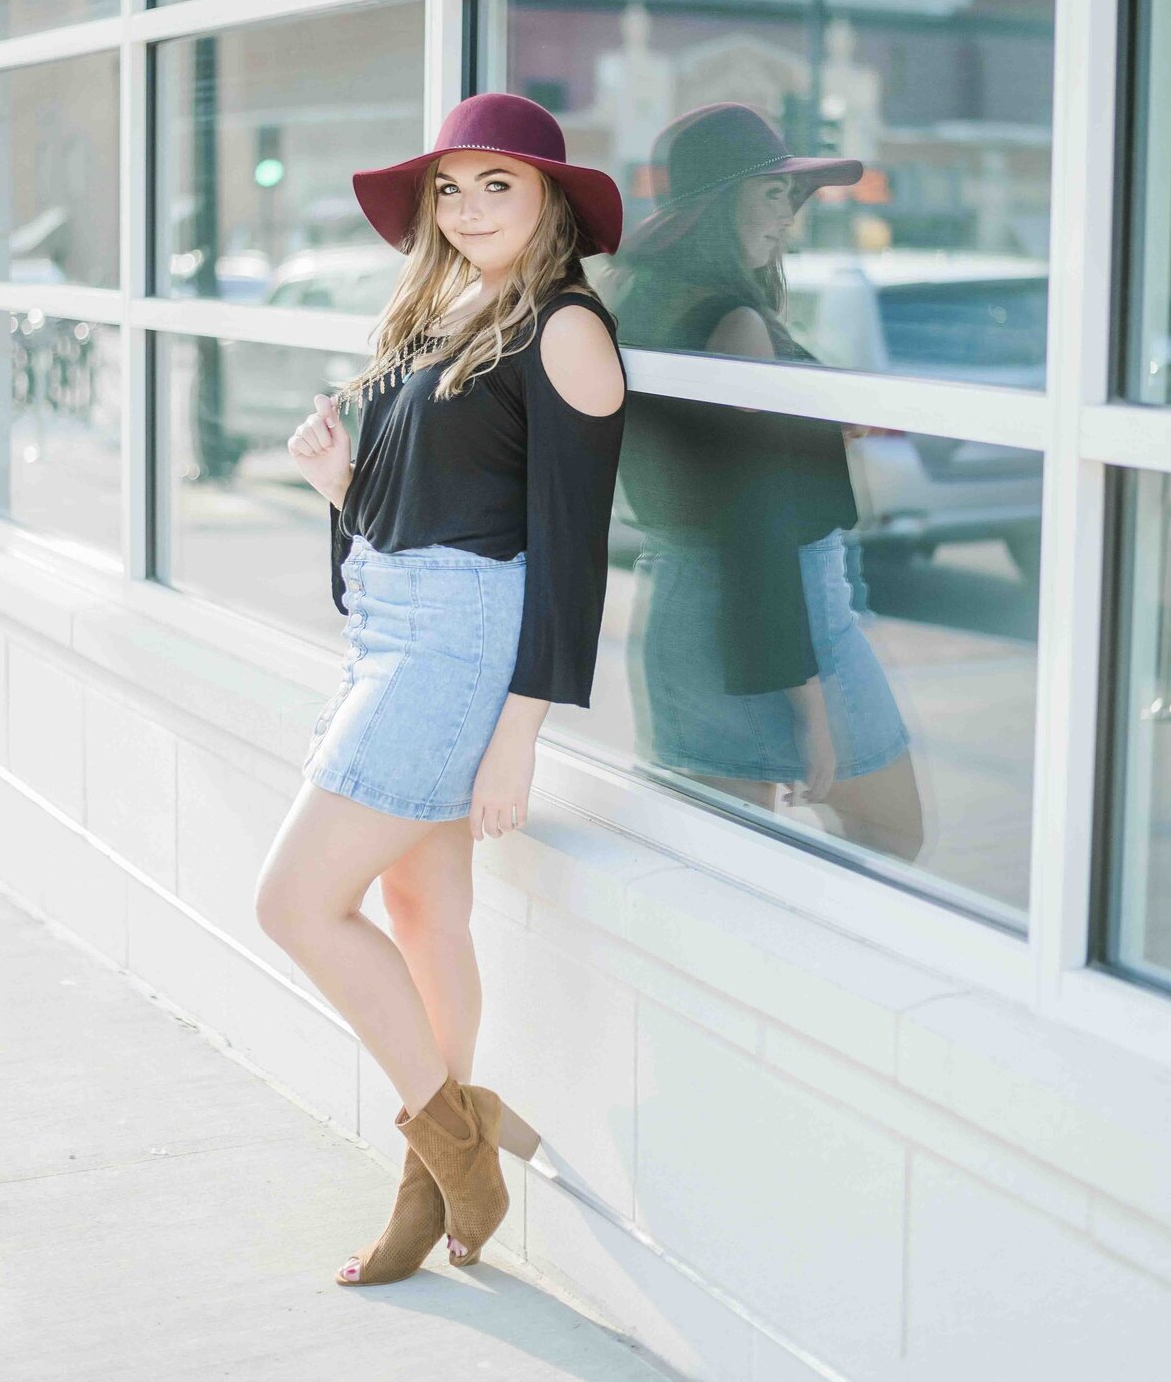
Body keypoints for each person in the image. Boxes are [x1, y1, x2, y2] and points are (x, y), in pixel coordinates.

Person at [254, 92, 627, 1286]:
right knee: (423, 916)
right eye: (450, 190)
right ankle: (434, 1183)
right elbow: (410, 517)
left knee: (294, 903)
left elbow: (570, 550)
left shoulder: (564, 328)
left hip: (463, 645)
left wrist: (520, 733)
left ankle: (461, 1148)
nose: (467, 211)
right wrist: (338, 479)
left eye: (497, 187)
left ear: (552, 201)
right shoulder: (441, 315)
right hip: (395, 626)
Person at [607, 101, 924, 862]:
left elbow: (704, 471)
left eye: (792, 195)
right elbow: (753, 520)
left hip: (687, 605)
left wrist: (810, 421)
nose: (789, 216)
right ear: (722, 201)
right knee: (890, 839)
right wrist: (807, 700)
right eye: (773, 192)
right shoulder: (734, 324)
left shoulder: (643, 302)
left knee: (727, 879)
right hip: (775, 615)